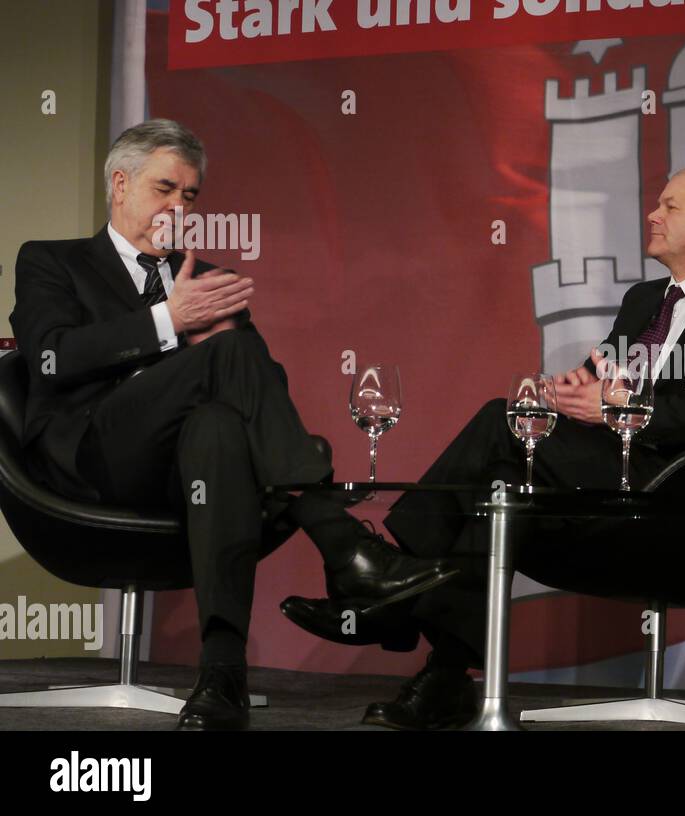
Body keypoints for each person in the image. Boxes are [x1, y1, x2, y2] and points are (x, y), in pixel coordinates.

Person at [283, 166, 685, 729]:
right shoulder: (645, 300)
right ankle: (442, 667)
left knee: (501, 429)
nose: (653, 214)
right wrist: (565, 393)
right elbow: (597, 378)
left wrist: (621, 410)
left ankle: (392, 585)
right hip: (610, 476)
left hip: (679, 499)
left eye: (670, 206)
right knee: (508, 473)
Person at [10, 119, 454, 731]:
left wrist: (205, 331)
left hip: (185, 473)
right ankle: (343, 543)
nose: (177, 207)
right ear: (119, 183)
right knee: (223, 361)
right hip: (91, 461)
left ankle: (223, 675)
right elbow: (50, 357)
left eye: (190, 196)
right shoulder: (53, 261)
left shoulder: (205, 279)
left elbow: (259, 389)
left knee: (220, 428)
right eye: (164, 188)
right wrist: (168, 321)